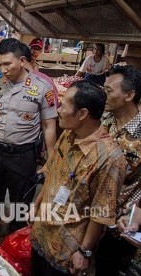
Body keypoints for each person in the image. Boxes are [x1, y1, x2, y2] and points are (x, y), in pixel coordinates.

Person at [31, 80, 127, 275]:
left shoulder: (109, 158)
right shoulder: (68, 134)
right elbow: (52, 172)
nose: (58, 110)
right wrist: (37, 205)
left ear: (82, 114)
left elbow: (102, 212)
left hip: (67, 250)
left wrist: (84, 251)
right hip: (42, 233)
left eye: (64, 105)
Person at [0, 38, 57, 230]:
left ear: (22, 61)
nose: (3, 69)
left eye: (8, 64)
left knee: (19, 205)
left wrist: (51, 160)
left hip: (23, 156)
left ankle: (13, 241)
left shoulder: (41, 88)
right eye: (0, 65)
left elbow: (49, 126)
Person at [96, 65, 141, 275]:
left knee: (109, 266)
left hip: (122, 222)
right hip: (92, 213)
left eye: (109, 90)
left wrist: (138, 213)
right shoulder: (103, 121)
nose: (103, 94)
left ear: (129, 95)